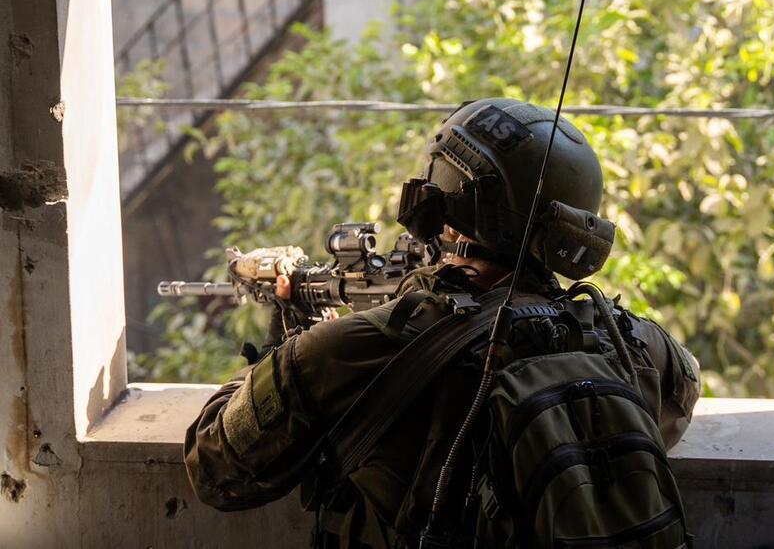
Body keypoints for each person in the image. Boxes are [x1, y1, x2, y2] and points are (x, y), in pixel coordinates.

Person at [184, 98, 701, 548]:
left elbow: (214, 468)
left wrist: (292, 342)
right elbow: (685, 385)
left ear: (443, 212)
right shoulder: (623, 339)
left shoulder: (355, 349)